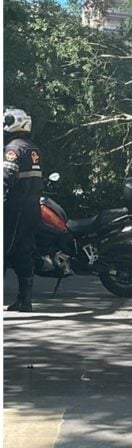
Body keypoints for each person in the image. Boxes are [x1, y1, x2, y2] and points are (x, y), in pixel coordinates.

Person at [3, 107, 43, 312]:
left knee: (4, 249)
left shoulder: (13, 148)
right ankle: (24, 299)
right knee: (23, 251)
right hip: (33, 207)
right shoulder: (32, 148)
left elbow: (5, 178)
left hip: (15, 207)